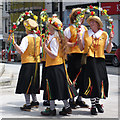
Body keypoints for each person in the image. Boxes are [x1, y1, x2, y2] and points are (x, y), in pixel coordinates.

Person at [78, 16, 114, 115]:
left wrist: (110, 40)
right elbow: (81, 48)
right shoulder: (85, 34)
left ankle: (97, 103)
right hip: (89, 61)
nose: (92, 24)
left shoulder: (104, 34)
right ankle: (93, 105)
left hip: (100, 61)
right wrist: (78, 39)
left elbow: (108, 50)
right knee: (91, 82)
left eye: (94, 22)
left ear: (98, 24)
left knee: (100, 82)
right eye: (91, 22)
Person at [41, 17, 72, 116]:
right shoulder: (57, 38)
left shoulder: (54, 39)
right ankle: (65, 107)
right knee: (59, 87)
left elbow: (54, 54)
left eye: (49, 26)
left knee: (52, 87)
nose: (47, 28)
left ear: (52, 27)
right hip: (58, 66)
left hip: (53, 66)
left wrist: (45, 48)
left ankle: (53, 109)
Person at [10, 18, 41, 111]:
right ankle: (35, 101)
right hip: (36, 62)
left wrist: (14, 43)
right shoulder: (39, 38)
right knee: (34, 82)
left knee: (26, 82)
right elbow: (41, 51)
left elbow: (21, 51)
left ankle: (28, 104)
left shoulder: (26, 39)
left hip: (27, 62)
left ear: (28, 29)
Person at [64, 8, 89, 109]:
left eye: (83, 17)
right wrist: (75, 43)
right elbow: (65, 43)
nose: (82, 19)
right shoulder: (69, 29)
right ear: (75, 17)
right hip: (74, 55)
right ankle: (71, 99)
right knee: (72, 76)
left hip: (83, 55)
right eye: (81, 16)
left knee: (83, 77)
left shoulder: (84, 29)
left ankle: (80, 98)